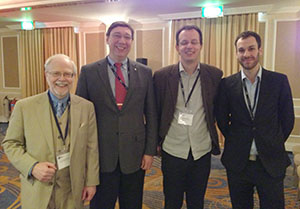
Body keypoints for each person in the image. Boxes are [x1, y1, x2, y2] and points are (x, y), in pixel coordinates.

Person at [76, 21, 157, 209]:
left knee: (132, 204)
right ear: (107, 39)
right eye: (117, 35)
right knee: (101, 205)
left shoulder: (144, 72)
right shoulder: (89, 72)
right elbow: (80, 117)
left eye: (127, 37)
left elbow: (151, 114)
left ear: (132, 41)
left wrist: (149, 151)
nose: (122, 41)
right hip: (101, 154)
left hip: (135, 155)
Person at [2, 54, 99, 209]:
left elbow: (92, 148)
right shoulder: (24, 107)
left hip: (73, 189)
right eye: (56, 73)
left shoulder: (86, 107)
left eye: (68, 74)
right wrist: (32, 167)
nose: (62, 78)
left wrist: (91, 182)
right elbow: (10, 143)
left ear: (74, 77)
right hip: (38, 188)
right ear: (46, 75)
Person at [216, 31, 295, 209]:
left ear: (259, 50)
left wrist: (271, 140)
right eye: (241, 50)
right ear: (236, 53)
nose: (246, 54)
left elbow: (287, 119)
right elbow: (222, 120)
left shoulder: (279, 81)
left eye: (251, 48)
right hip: (238, 163)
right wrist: (238, 139)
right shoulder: (226, 84)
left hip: (271, 161)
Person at [153, 25, 223, 209]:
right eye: (184, 42)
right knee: (172, 201)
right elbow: (156, 111)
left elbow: (217, 109)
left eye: (194, 42)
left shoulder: (214, 75)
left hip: (201, 150)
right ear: (177, 47)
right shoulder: (161, 76)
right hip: (173, 149)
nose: (189, 46)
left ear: (200, 45)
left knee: (196, 201)